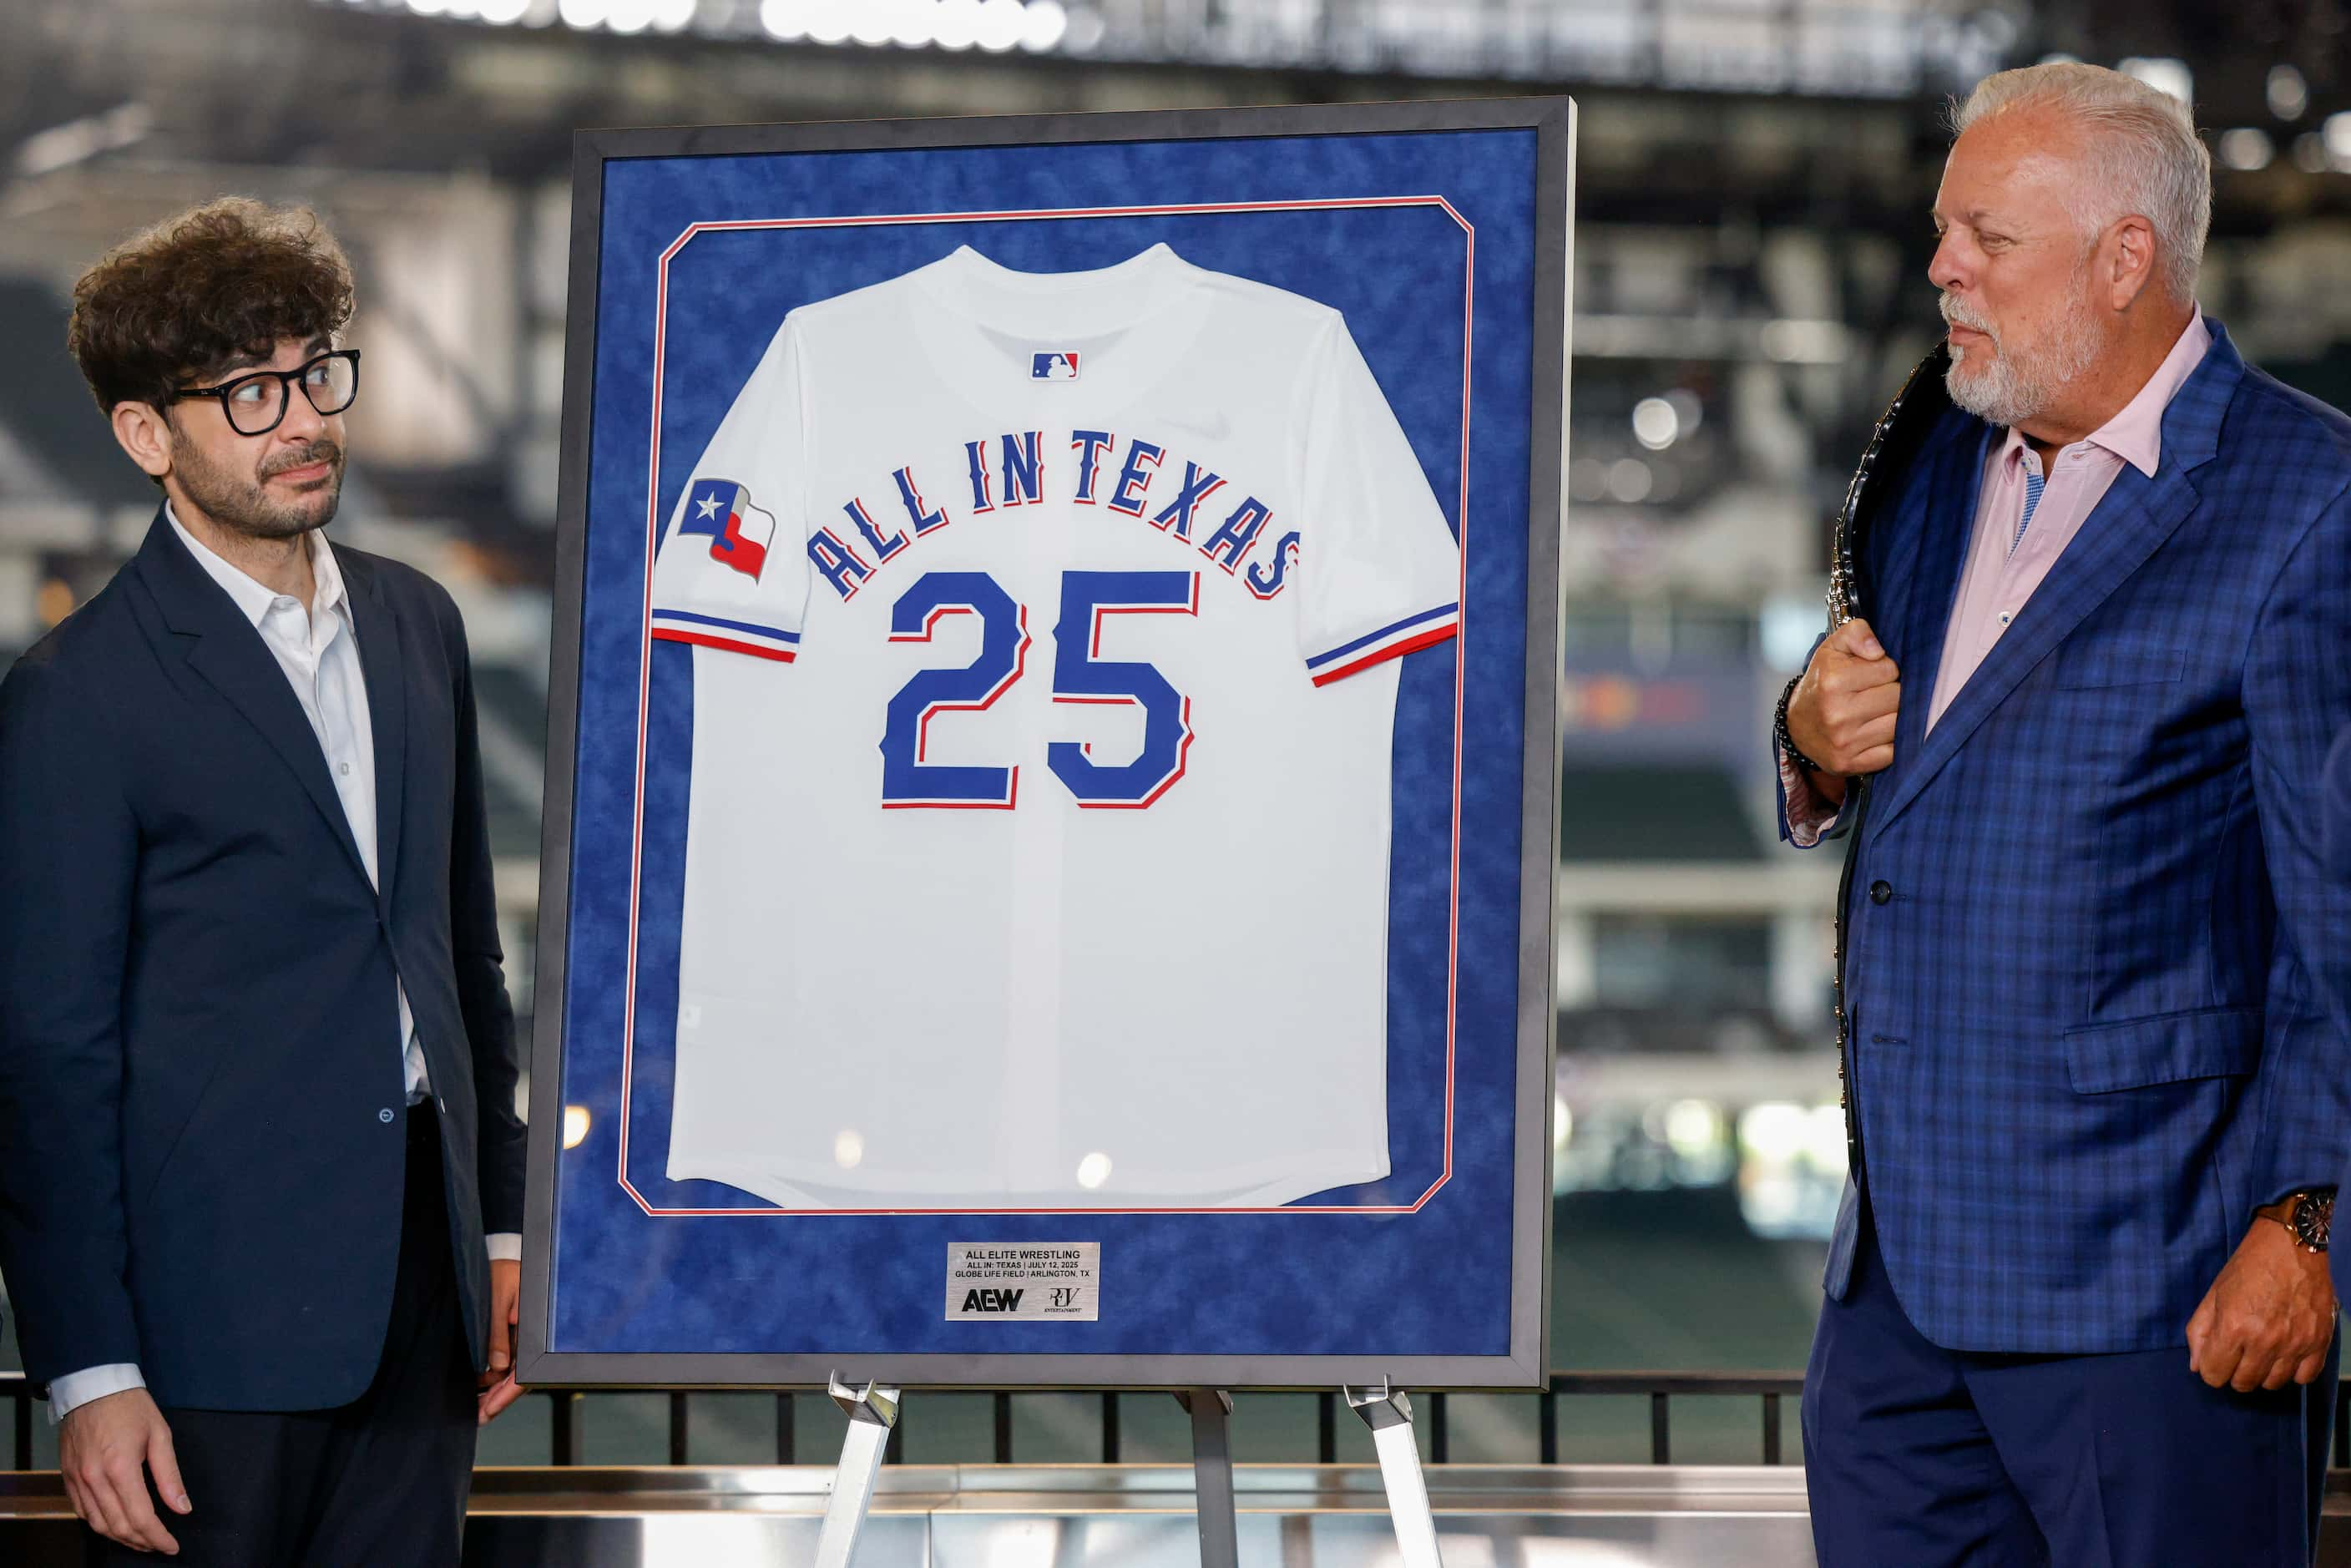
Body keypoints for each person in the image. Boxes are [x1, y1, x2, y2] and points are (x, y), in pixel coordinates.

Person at [1777, 63, 2351, 1566]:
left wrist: (2310, 1220)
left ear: (2123, 258)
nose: (1941, 266)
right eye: (1942, 229)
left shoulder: (2310, 502)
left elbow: (2341, 921)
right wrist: (1808, 738)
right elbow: (1912, 742)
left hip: (2151, 1305)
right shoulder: (1928, 454)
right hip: (1896, 1313)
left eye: (1987, 236)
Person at [0, 199, 529, 1564]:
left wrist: (506, 1219)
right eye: (246, 392)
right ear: (144, 436)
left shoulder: (419, 620)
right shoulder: (78, 695)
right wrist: (91, 1371)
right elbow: (49, 1060)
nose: (300, 418)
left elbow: (464, 958)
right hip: (208, 1335)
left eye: (311, 373)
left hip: (426, 1291)